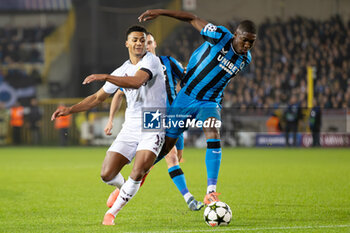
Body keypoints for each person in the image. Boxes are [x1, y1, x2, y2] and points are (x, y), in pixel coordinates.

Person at [51, 25, 167, 225]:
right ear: (127, 43)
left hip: (153, 121)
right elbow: (98, 98)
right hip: (131, 126)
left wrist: (104, 77)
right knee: (107, 174)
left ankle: (111, 213)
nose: (139, 43)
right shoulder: (122, 70)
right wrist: (70, 110)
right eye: (135, 40)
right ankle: (124, 189)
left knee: (138, 170)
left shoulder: (152, 61)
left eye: (142, 40)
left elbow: (137, 82)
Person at [138, 9, 256, 205]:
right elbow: (191, 18)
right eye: (244, 39)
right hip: (186, 97)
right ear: (236, 34)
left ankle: (211, 192)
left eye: (251, 42)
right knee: (166, 146)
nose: (247, 45)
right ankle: (138, 176)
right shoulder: (218, 35)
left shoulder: (245, 59)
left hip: (209, 102)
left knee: (213, 133)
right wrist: (160, 12)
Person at [104, 32, 203, 211]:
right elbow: (118, 93)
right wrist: (111, 119)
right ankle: (189, 199)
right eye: (143, 42)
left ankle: (125, 188)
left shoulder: (168, 62)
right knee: (171, 157)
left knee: (174, 158)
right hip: (153, 117)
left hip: (174, 116)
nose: (146, 46)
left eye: (148, 42)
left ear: (154, 43)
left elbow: (187, 81)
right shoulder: (137, 68)